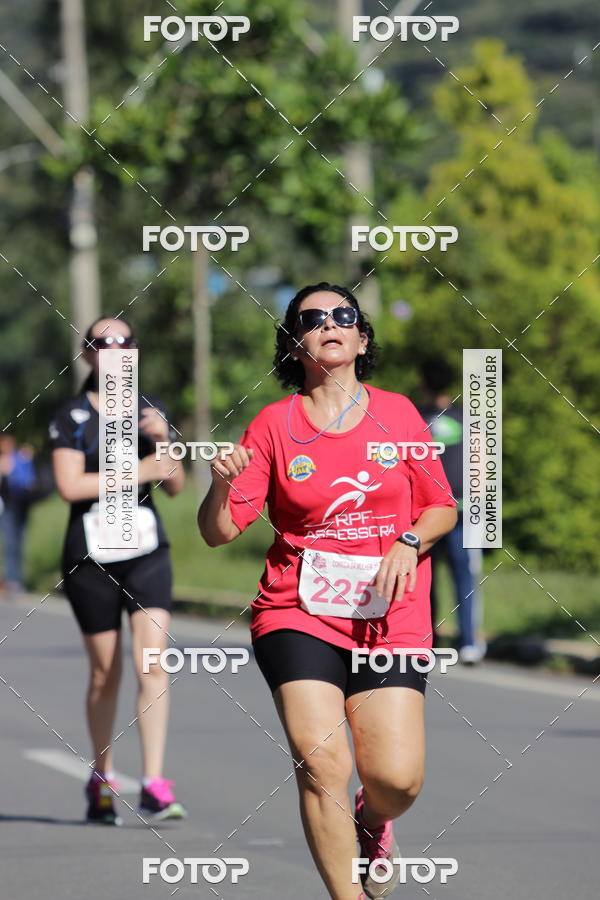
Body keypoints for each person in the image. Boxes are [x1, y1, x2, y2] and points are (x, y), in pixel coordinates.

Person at [198, 282, 457, 900]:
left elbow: (442, 508)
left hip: (389, 613)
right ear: (294, 344)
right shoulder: (272, 425)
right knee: (322, 765)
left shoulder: (396, 413)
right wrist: (218, 483)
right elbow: (219, 530)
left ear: (362, 337)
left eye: (343, 316)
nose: (328, 325)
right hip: (298, 609)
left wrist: (408, 542)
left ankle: (373, 821)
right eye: (311, 320)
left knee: (397, 779)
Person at [49, 316, 186, 825]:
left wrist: (164, 440)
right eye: (102, 344)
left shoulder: (151, 411)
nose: (113, 351)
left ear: (135, 351)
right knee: (106, 672)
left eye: (123, 343)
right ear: (88, 355)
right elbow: (70, 485)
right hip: (89, 553)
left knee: (152, 663)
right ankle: (102, 774)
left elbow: (173, 484)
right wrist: (139, 471)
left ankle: (154, 782)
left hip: (146, 549)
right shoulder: (71, 415)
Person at [418, 359, 486, 665]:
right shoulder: (466, 418)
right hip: (462, 509)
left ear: (423, 383)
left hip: (424, 513)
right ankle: (469, 642)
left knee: (425, 577)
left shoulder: (415, 418)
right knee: (465, 577)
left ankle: (428, 641)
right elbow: (482, 463)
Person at [0, 434, 37, 594]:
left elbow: (27, 480)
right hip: (6, 507)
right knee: (10, 543)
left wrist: (12, 470)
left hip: (20, 505)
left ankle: (16, 579)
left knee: (18, 542)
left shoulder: (21, 458)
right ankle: (11, 579)